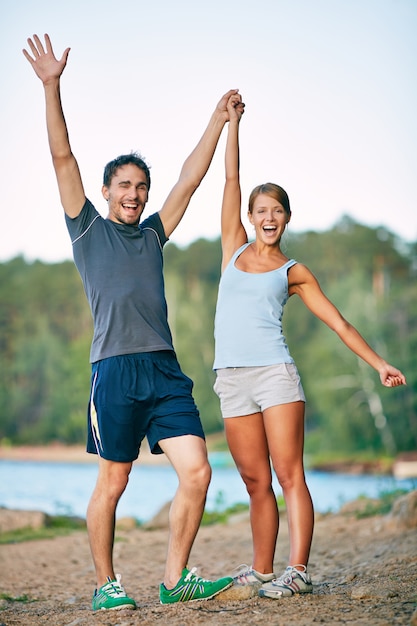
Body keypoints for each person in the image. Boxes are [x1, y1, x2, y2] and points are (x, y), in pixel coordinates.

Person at [23, 33, 239, 610]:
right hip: (114, 371)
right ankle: (105, 586)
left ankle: (174, 579)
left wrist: (218, 122)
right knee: (114, 482)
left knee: (197, 471)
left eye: (141, 187)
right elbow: (62, 156)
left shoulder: (152, 235)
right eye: (126, 186)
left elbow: (189, 180)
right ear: (105, 191)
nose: (136, 195)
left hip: (164, 369)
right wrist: (51, 86)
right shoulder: (87, 228)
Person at [213, 96, 407, 600]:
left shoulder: (292, 271)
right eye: (262, 210)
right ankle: (260, 571)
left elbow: (339, 323)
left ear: (287, 218)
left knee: (288, 474)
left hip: (275, 375)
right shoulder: (232, 245)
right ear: (251, 217)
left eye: (277, 210)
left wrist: (379, 362)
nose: (268, 217)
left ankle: (296, 571)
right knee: (255, 481)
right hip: (230, 378)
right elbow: (231, 180)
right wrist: (232, 124)